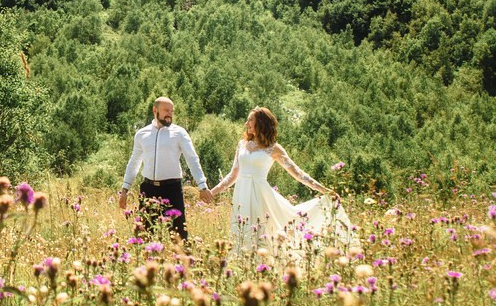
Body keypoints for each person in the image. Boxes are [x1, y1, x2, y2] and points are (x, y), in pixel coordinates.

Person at [208, 106, 358, 257]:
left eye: (250, 120)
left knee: (263, 233)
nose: (246, 123)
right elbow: (233, 175)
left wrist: (325, 190)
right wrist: (211, 192)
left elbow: (298, 173)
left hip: (261, 196)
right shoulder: (242, 144)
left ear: (261, 123)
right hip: (241, 194)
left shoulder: (274, 149)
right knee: (242, 232)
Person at [119, 96, 213, 240]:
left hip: (172, 190)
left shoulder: (180, 133)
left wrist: (202, 185)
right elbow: (134, 163)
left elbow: (192, 159)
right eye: (166, 110)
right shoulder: (141, 134)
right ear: (155, 110)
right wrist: (125, 189)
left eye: (172, 111)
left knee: (179, 235)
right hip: (148, 190)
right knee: (144, 234)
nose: (169, 114)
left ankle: (183, 262)